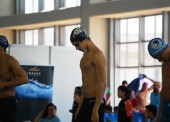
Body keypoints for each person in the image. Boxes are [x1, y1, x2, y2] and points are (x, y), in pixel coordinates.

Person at [70, 27, 106, 122]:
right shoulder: (85, 56)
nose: (77, 48)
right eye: (75, 46)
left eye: (77, 45)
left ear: (85, 39)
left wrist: (95, 110)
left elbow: (102, 84)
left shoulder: (98, 55)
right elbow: (84, 84)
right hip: (85, 102)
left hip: (95, 103)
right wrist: (80, 106)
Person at [0, 35, 28, 122]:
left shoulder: (10, 61)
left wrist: (4, 84)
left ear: (1, 46)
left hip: (6, 101)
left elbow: (24, 79)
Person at [148, 38, 170, 122]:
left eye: (158, 57)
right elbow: (164, 90)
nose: (159, 61)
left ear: (162, 51)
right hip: (165, 106)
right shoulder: (165, 65)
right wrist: (159, 114)